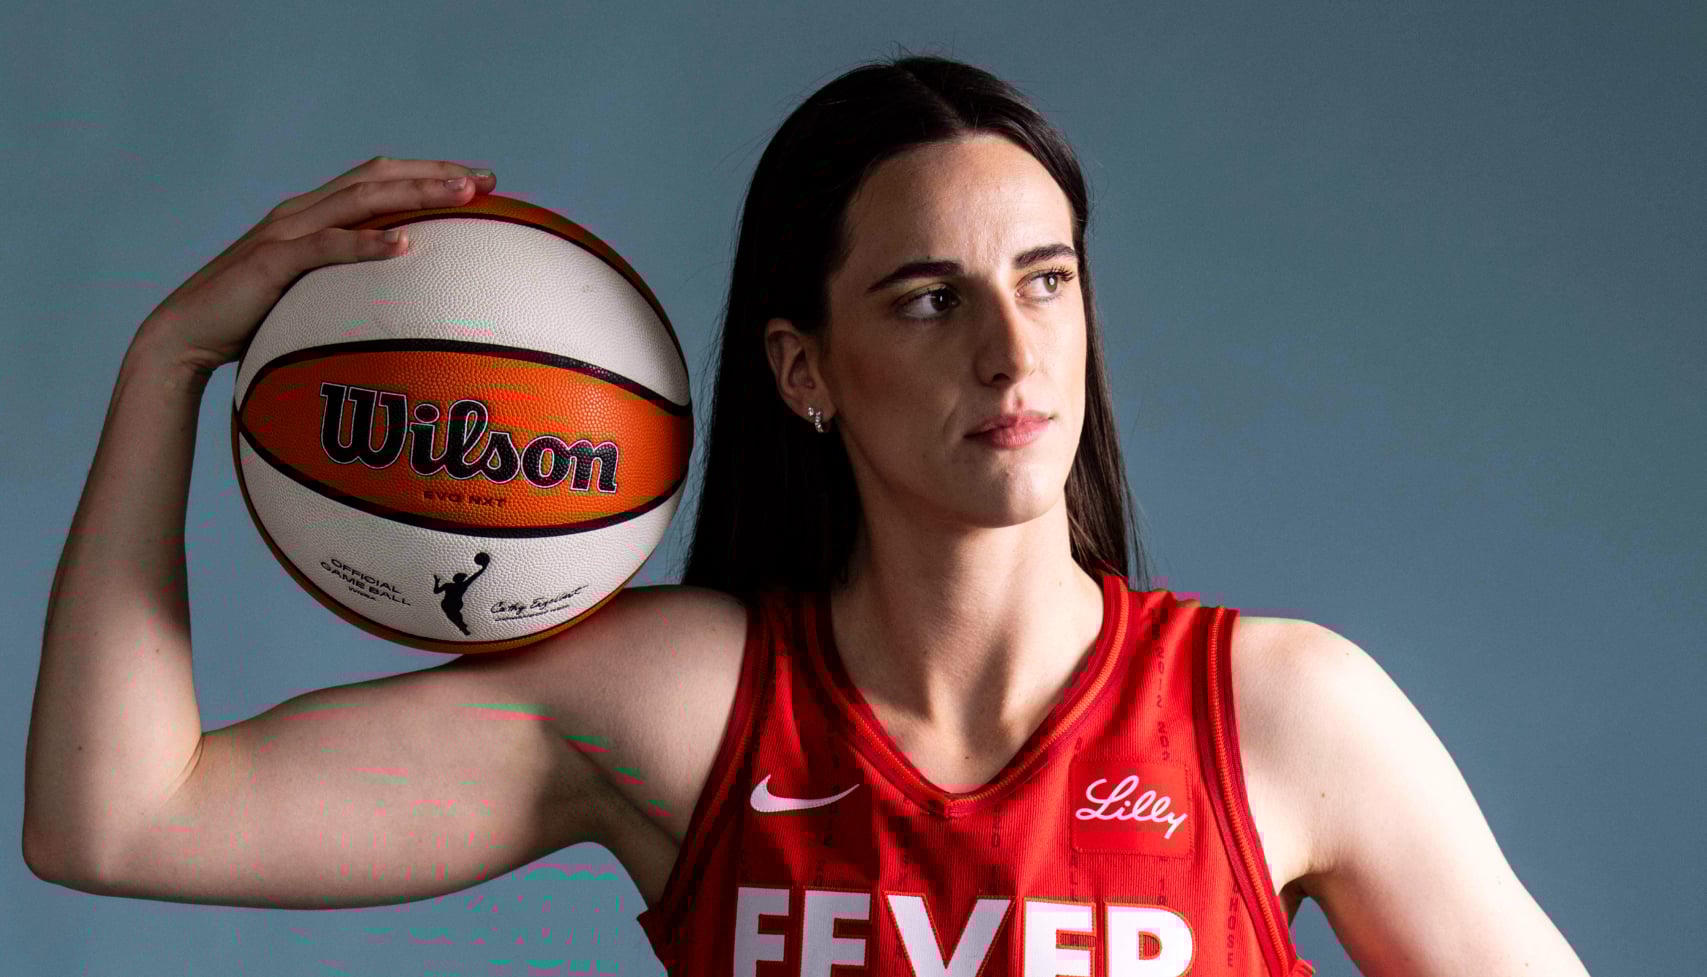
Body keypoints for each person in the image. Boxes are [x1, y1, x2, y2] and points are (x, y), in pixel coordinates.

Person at [23, 55, 1591, 976]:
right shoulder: (685, 707)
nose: (1011, 351)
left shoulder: (1278, 716)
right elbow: (119, 820)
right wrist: (169, 365)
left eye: (1045, 280)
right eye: (928, 298)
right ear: (803, 369)